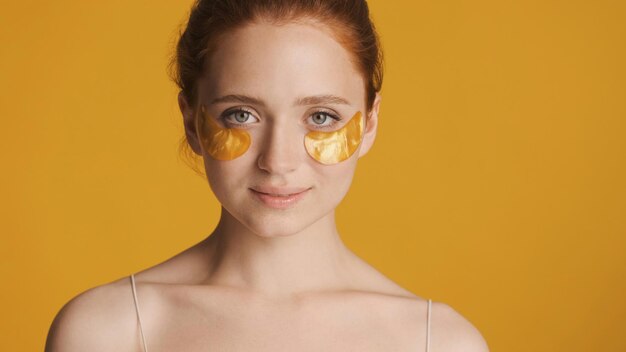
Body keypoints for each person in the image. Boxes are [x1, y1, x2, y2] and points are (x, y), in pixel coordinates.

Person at [45, 0, 489, 351]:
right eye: (241, 114)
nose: (277, 162)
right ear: (191, 122)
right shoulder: (104, 333)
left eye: (320, 116)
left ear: (369, 124)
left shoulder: (440, 343)